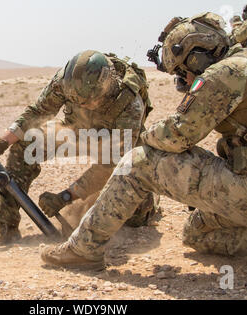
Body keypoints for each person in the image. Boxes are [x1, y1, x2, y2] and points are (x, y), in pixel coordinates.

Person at [41, 12, 247, 271]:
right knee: (196, 232)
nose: (184, 80)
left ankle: (83, 249)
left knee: (139, 162)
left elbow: (178, 134)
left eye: (183, 72)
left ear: (197, 57)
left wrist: (145, 139)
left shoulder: (225, 73)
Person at [0, 50, 159, 245]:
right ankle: (5, 225)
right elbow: (38, 112)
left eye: (88, 101)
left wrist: (64, 197)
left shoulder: (129, 103)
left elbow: (111, 163)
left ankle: (148, 204)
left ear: (106, 87)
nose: (82, 105)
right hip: (77, 132)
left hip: (114, 144)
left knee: (134, 217)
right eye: (76, 100)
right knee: (26, 145)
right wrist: (3, 142)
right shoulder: (66, 82)